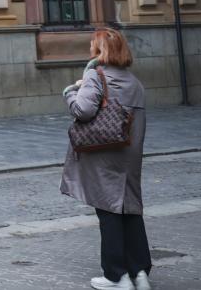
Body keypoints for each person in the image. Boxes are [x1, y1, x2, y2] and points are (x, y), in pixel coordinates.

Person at [62, 28, 151, 290]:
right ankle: (140, 274)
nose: (90, 49)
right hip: (129, 154)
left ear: (99, 51)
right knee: (130, 210)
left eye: (92, 45)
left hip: (105, 152)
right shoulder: (134, 82)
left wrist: (70, 91)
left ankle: (116, 276)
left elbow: (83, 110)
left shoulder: (95, 75)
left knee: (109, 211)